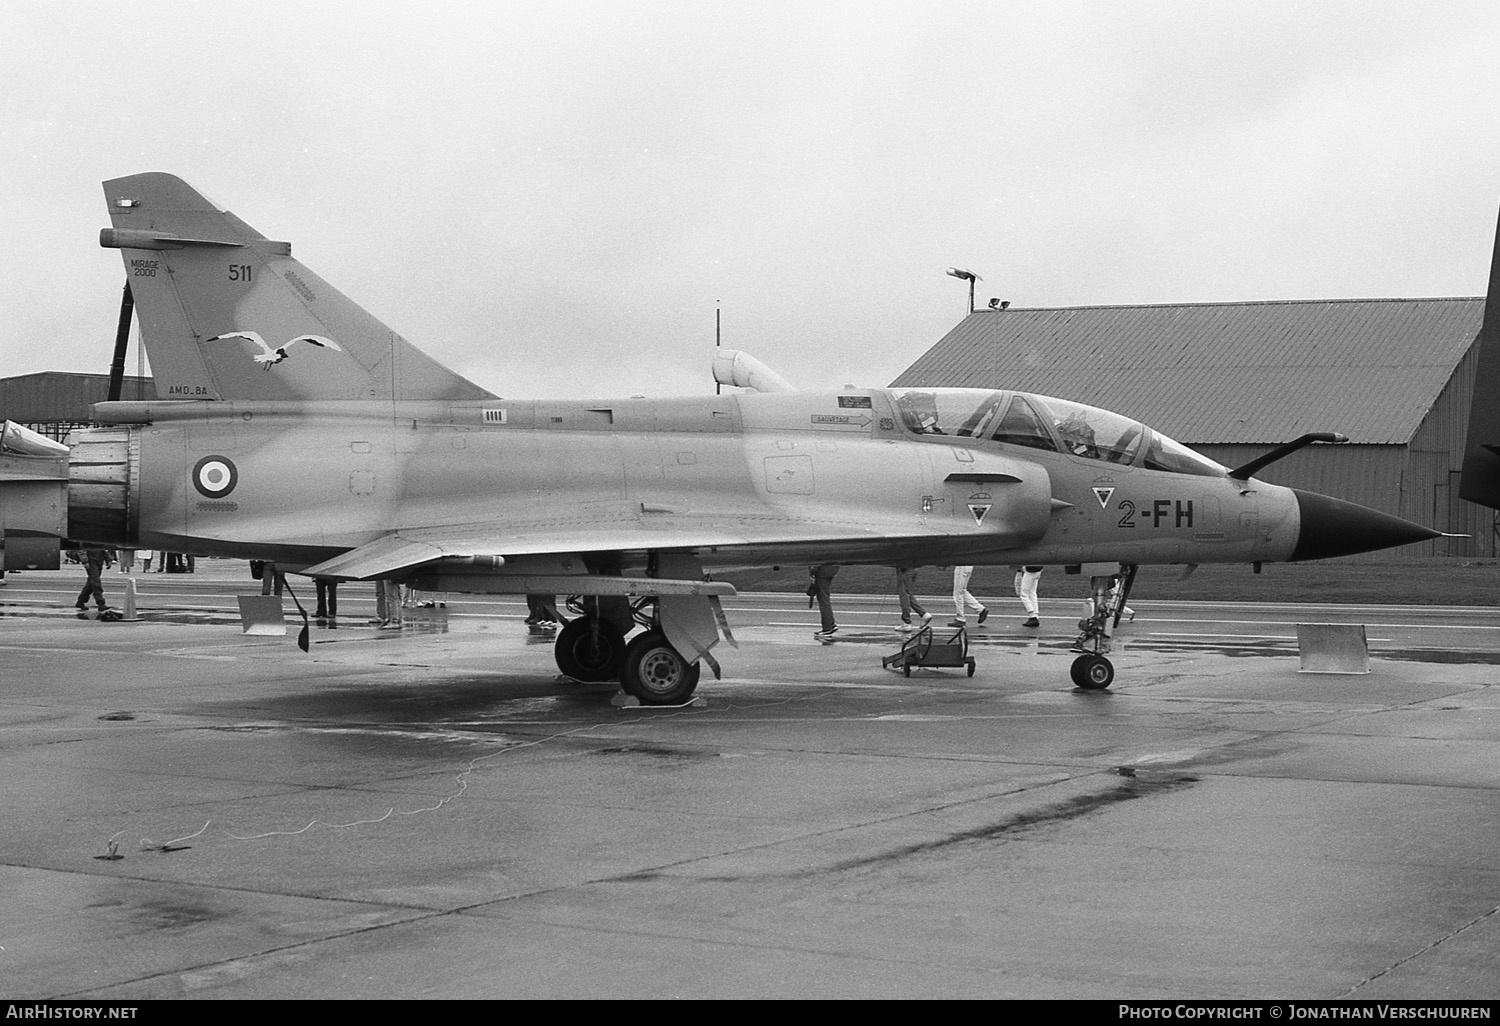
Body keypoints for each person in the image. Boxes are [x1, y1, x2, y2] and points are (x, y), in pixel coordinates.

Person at [75, 548, 112, 612]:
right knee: (95, 581)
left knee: (91, 582)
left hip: (98, 559)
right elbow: (81, 549)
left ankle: (81, 601)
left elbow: (104, 547)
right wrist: (85, 561)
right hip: (91, 559)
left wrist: (108, 559)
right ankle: (100, 602)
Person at [809, 563, 839, 639]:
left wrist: (812, 571)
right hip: (831, 569)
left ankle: (827, 628)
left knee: (823, 600)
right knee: (824, 598)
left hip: (822, 571)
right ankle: (831, 623)